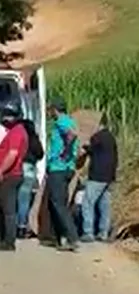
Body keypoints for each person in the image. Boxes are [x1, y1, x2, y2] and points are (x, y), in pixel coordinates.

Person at [0, 101, 29, 251]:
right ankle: (1, 236)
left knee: (8, 210)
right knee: (3, 207)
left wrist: (1, 170)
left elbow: (13, 154)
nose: (5, 118)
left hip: (10, 175)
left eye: (8, 115)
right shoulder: (12, 131)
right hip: (8, 175)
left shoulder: (17, 132)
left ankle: (8, 241)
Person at [44, 96, 80, 251]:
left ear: (55, 110)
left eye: (50, 109)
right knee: (56, 204)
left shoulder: (62, 122)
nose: (49, 112)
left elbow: (72, 134)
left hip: (59, 168)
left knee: (58, 204)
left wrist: (64, 153)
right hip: (66, 168)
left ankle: (71, 237)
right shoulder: (70, 120)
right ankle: (60, 237)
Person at [78, 113, 118, 242]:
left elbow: (89, 150)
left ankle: (88, 232)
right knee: (104, 205)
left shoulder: (97, 137)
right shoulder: (111, 137)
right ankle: (103, 232)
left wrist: (83, 147)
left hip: (97, 176)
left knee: (87, 203)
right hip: (109, 176)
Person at [17, 116, 45, 238]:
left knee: (18, 199)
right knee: (26, 199)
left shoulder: (20, 138)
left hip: (21, 167)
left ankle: (19, 226)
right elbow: (40, 154)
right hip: (31, 169)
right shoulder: (34, 139)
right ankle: (25, 226)